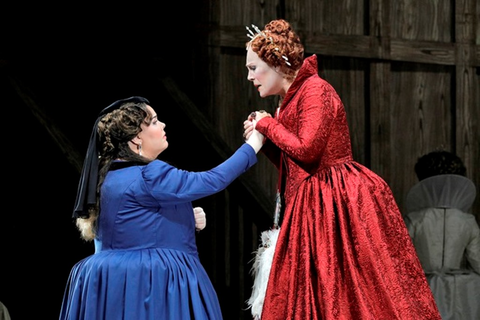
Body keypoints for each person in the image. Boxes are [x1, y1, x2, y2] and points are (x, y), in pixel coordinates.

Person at [242, 19, 441, 320]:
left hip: (335, 202)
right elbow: (296, 162)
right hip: (308, 204)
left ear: (275, 63)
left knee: (347, 289)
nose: (249, 76)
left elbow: (308, 150)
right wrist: (266, 139)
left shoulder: (315, 90)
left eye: (253, 68)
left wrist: (267, 124)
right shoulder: (289, 100)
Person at [59, 96, 264, 320]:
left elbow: (130, 225)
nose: (163, 125)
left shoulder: (106, 176)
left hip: (109, 282)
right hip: (147, 282)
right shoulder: (149, 174)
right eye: (155, 121)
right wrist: (255, 143)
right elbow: (211, 180)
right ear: (137, 138)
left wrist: (185, 216)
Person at [404, 150, 480, 320]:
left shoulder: (415, 219)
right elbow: (478, 260)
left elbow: (401, 260)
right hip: (460, 291)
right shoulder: (466, 220)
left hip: (421, 286)